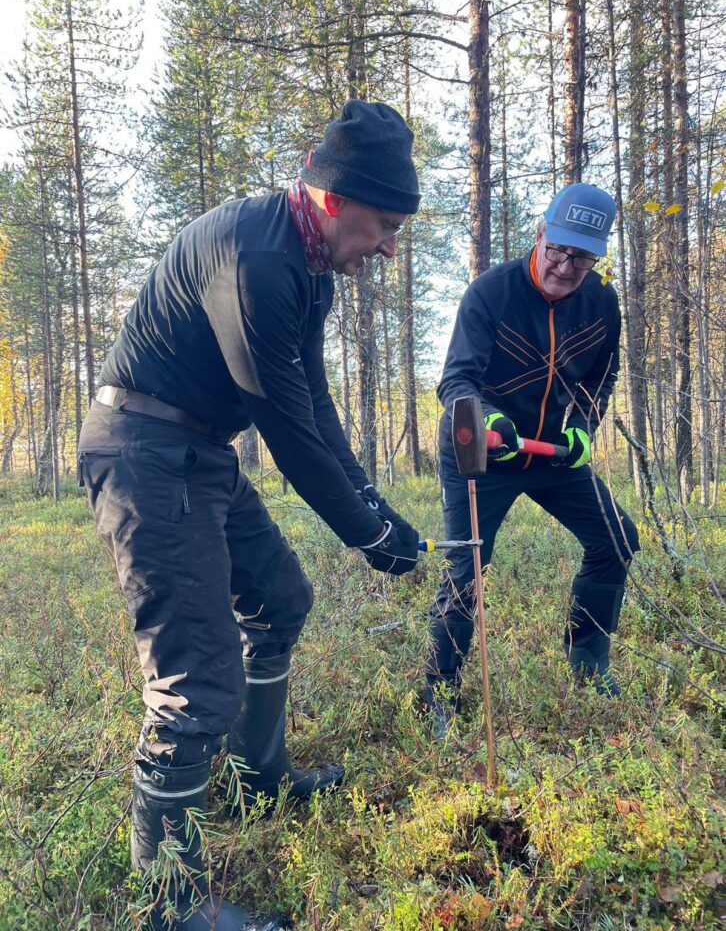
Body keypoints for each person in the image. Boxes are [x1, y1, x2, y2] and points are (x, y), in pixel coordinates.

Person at [78, 100, 421, 930]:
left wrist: (377, 507)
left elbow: (318, 410)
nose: (387, 247)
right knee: (195, 681)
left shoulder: (307, 271)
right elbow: (288, 431)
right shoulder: (257, 256)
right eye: (382, 225)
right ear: (335, 200)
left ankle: (258, 778)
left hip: (198, 452)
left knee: (279, 600)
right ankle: (171, 905)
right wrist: (370, 535)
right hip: (143, 451)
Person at [425, 183, 640, 737]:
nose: (566, 266)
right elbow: (456, 379)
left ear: (597, 257)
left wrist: (582, 429)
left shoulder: (601, 303)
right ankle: (439, 692)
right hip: (480, 452)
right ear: (540, 234)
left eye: (582, 256)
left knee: (617, 539)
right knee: (467, 566)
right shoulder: (491, 293)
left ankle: (588, 663)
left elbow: (600, 378)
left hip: (550, 456)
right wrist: (486, 417)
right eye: (558, 250)